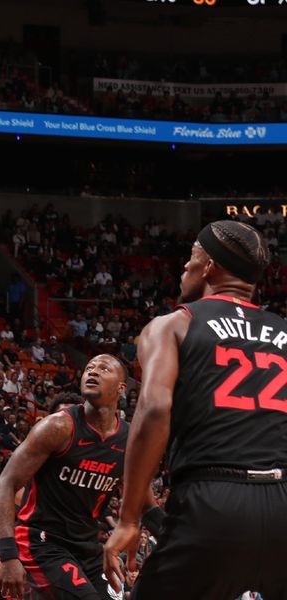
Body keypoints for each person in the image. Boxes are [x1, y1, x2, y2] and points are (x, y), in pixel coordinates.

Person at [104, 221, 287, 600]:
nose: (183, 269)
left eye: (190, 259)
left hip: (214, 502)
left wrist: (129, 519)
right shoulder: (284, 330)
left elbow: (154, 410)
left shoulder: (173, 325)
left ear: (209, 267)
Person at [0, 354, 152, 600]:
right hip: (43, 543)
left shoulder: (131, 440)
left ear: (122, 388)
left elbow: (146, 499)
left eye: (103, 368)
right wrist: (8, 554)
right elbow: (6, 483)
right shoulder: (58, 427)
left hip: (89, 548)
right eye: (89, 367)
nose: (93, 372)